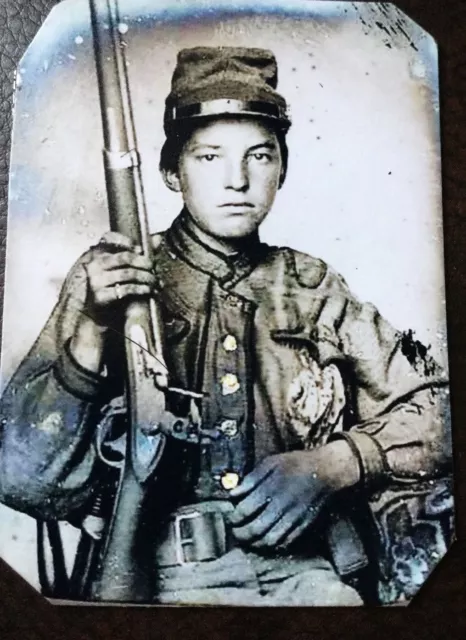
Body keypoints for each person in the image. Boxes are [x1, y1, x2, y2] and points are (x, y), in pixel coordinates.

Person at [0, 47, 451, 606]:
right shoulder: (111, 278)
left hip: (308, 573)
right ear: (171, 171)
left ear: (282, 169)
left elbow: (440, 413)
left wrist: (337, 462)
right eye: (209, 157)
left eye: (259, 156)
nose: (237, 179)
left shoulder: (314, 286)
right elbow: (18, 475)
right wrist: (92, 332)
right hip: (161, 577)